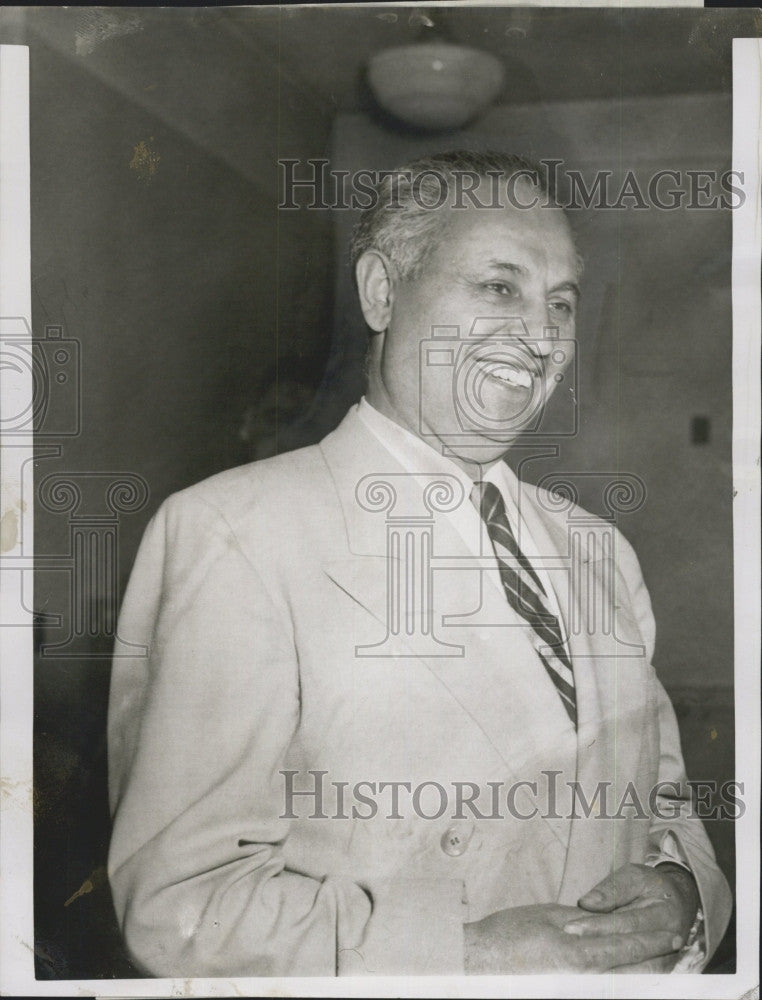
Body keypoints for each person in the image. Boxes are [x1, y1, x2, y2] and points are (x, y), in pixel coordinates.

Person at [107, 150, 732, 977]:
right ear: (380, 291)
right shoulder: (233, 531)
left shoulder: (599, 549)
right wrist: (464, 954)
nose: (541, 337)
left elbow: (662, 802)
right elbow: (179, 910)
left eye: (562, 304)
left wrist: (682, 889)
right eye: (498, 288)